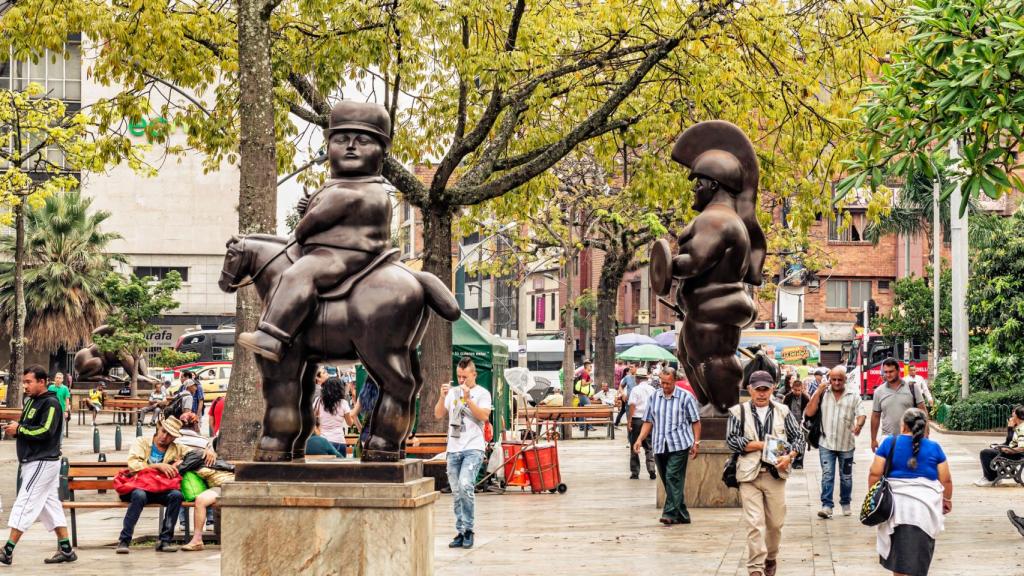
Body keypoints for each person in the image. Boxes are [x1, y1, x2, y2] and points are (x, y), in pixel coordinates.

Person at [237, 101, 394, 363]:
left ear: (382, 152)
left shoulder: (352, 191)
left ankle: (272, 335)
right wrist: (306, 206)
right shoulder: (343, 186)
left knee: (296, 274)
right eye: (342, 139)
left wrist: (303, 225)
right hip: (336, 250)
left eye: (363, 140)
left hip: (344, 255)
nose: (351, 146)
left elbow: (313, 223)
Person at [726, 370, 805, 576]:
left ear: (772, 389)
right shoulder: (737, 412)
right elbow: (732, 440)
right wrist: (762, 445)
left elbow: (798, 438)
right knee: (754, 524)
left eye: (765, 389)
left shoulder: (783, 411)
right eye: (757, 390)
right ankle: (755, 569)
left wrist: (790, 456)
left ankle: (771, 557)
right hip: (749, 475)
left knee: (775, 524)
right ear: (750, 390)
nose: (761, 394)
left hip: (775, 475)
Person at [0, 366, 76, 566]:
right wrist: (17, 428)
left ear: (41, 382)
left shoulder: (51, 403)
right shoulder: (32, 400)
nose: (25, 386)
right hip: (34, 461)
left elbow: (46, 431)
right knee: (49, 506)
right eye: (24, 382)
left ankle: (7, 550)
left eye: (28, 382)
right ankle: (66, 548)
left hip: (42, 461)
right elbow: (28, 426)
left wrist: (20, 430)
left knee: (25, 501)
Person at [869, 408, 952, 576]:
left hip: (895, 510)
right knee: (919, 562)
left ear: (903, 425)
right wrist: (947, 500)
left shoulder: (889, 443)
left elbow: (875, 473)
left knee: (898, 562)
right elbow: (946, 479)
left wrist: (873, 497)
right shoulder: (934, 447)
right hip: (925, 510)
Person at [434, 356, 492, 550]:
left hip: (473, 447)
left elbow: (484, 416)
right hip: (453, 448)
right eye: (458, 376)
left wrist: (468, 400)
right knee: (457, 491)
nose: (461, 380)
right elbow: (438, 414)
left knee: (465, 485)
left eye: (465, 377)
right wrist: (442, 396)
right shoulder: (453, 393)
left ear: (474, 375)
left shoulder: (482, 393)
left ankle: (469, 529)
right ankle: (460, 531)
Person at [632, 367, 701, 525]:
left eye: (668, 383)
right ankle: (682, 514)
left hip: (679, 445)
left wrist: (696, 442)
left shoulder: (686, 397)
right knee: (669, 481)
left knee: (672, 477)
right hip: (659, 445)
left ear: (675, 381)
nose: (664, 386)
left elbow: (695, 421)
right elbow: (648, 421)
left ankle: (669, 513)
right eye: (662, 383)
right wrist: (639, 439)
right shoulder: (654, 397)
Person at [118, 416, 189, 554]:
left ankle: (165, 540)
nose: (164, 436)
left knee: (176, 495)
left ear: (174, 438)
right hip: (139, 487)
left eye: (170, 435)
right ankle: (124, 540)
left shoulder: (177, 448)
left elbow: (196, 453)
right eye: (163, 431)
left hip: (160, 489)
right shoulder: (142, 442)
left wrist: (208, 449)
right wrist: (158, 466)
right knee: (139, 495)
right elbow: (133, 465)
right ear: (158, 428)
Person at [804, 366, 866, 518]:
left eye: (840, 379)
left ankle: (845, 502)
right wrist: (818, 391)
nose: (837, 382)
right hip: (826, 443)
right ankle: (827, 506)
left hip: (846, 444)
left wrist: (859, 425)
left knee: (846, 477)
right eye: (834, 379)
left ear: (845, 379)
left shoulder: (853, 395)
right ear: (829, 379)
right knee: (827, 475)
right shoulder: (823, 393)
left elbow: (861, 413)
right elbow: (809, 412)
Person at [871, 357, 927, 452]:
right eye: (886, 372)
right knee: (886, 466)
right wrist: (873, 439)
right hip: (888, 438)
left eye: (891, 371)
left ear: (898, 371)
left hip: (910, 437)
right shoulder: (878, 391)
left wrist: (925, 433)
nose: (888, 375)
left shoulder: (912, 388)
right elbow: (875, 416)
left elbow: (922, 411)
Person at [974, 405, 1024, 486]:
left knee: (985, 453)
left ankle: (990, 478)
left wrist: (1009, 450)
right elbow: (1010, 442)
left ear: (1017, 416)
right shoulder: (1018, 427)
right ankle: (991, 477)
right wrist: (1000, 446)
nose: (1011, 415)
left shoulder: (1022, 428)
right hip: (1014, 452)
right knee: (989, 452)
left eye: (1013, 413)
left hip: (1017, 455)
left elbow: (1022, 447)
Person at [315, 376, 360, 456]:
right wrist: (353, 416)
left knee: (324, 467)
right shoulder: (343, 403)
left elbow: (311, 419)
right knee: (340, 468)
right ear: (339, 389)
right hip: (339, 441)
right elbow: (349, 423)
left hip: (323, 441)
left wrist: (318, 432)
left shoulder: (318, 401)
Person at [627, 371, 657, 480]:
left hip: (637, 419)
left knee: (634, 445)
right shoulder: (653, 390)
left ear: (637, 379)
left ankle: (635, 472)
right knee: (649, 446)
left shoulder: (635, 389)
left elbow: (632, 405)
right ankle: (652, 469)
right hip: (649, 419)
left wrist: (629, 420)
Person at [780, 379, 810, 470]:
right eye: (795, 390)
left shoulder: (805, 398)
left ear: (802, 389)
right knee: (788, 442)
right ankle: (787, 459)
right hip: (789, 423)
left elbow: (808, 411)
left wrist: (805, 422)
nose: (797, 392)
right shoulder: (788, 397)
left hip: (800, 423)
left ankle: (798, 462)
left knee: (801, 442)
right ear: (792, 389)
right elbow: (783, 409)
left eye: (799, 390)